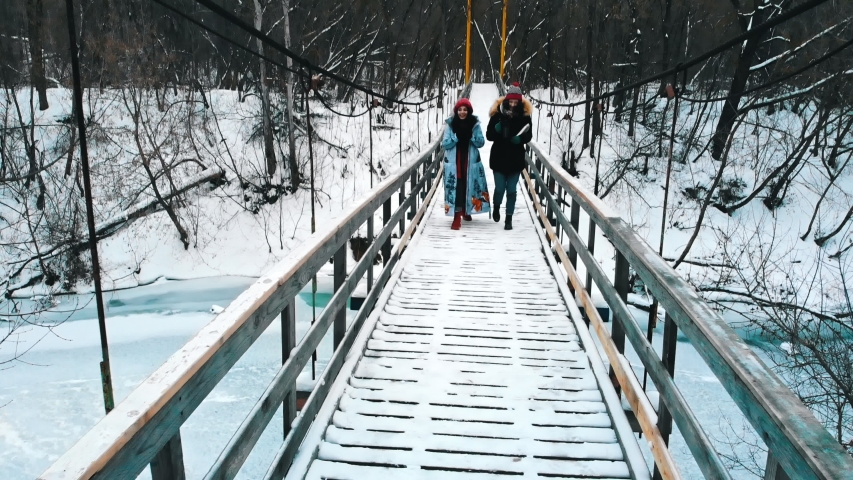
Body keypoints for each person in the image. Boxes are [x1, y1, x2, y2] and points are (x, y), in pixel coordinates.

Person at [486, 82, 533, 230]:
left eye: (515, 102)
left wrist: (521, 139)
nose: (513, 104)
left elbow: (529, 135)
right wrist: (497, 130)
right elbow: (489, 136)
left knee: (512, 190)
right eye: (511, 101)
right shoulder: (497, 115)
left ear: (519, 102)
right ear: (506, 101)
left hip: (515, 159)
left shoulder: (525, 117)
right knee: (500, 188)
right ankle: (496, 206)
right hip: (499, 158)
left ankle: (509, 219)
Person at [442, 98, 490, 230]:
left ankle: (466, 210)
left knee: (468, 186)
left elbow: (481, 143)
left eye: (465, 110)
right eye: (460, 109)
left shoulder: (475, 124)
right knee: (458, 186)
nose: (462, 112)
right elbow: (445, 144)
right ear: (456, 111)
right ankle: (456, 215)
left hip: (470, 160)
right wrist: (455, 137)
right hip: (454, 161)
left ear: (469, 111)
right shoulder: (451, 125)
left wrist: (472, 137)